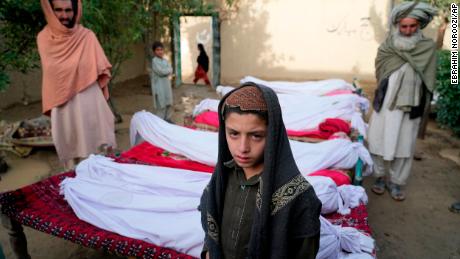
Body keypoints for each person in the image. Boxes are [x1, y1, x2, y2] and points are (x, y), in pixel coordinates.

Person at [199, 83, 321, 259]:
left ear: (273, 134)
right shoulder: (223, 178)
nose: (242, 148)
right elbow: (211, 226)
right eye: (233, 134)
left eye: (256, 136)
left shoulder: (299, 197)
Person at [368, 1, 437, 201]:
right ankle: (379, 177)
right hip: (386, 102)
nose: (408, 30)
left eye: (412, 26)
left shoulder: (428, 47)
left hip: (411, 105)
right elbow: (380, 69)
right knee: (378, 140)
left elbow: (429, 78)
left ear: (420, 25)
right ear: (397, 25)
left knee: (404, 145)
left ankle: (397, 182)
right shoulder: (387, 46)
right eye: (404, 26)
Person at [37, 0, 116, 171]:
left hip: (90, 106)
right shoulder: (43, 39)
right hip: (63, 108)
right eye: (58, 10)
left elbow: (102, 72)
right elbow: (53, 76)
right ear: (50, 10)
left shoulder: (87, 37)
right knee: (73, 165)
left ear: (76, 11)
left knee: (97, 161)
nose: (64, 15)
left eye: (68, 10)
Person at [151, 41, 174, 122]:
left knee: (168, 103)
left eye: (161, 49)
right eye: (157, 50)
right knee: (161, 105)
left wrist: (167, 70)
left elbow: (171, 69)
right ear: (154, 51)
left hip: (166, 86)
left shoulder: (165, 61)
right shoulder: (154, 61)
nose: (160, 51)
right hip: (159, 87)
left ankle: (168, 120)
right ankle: (159, 123)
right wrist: (168, 70)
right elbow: (161, 72)